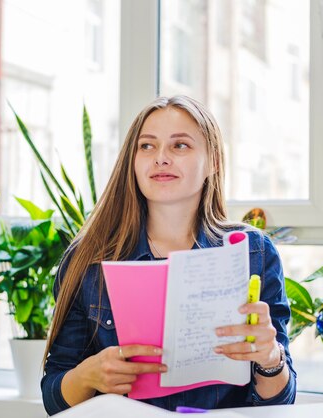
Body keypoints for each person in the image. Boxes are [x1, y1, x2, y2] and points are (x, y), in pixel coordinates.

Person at [41, 95, 296, 415]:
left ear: (213, 162)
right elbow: (54, 398)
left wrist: (270, 358)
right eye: (147, 146)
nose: (160, 158)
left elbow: (281, 403)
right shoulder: (88, 259)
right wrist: (88, 375)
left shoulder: (254, 253)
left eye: (180, 146)